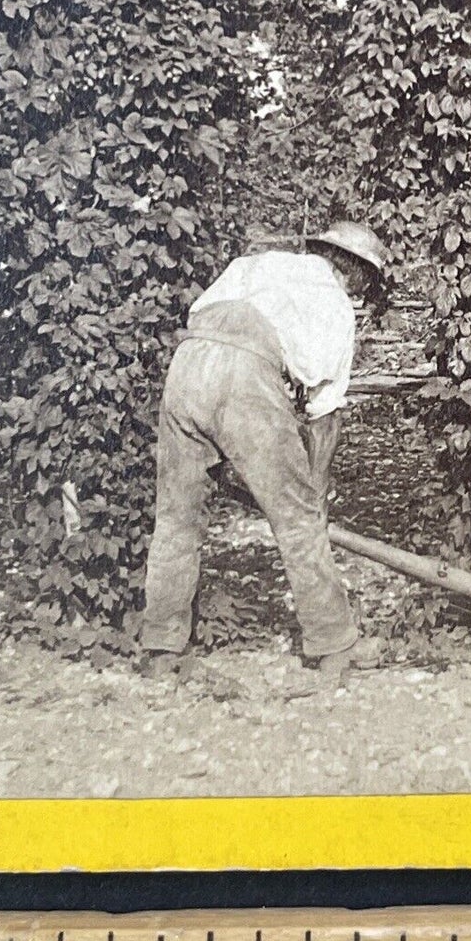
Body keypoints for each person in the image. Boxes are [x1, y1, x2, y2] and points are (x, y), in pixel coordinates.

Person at [137, 219, 389, 687]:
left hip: (188, 366)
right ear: (355, 272)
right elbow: (325, 415)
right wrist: (316, 487)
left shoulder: (259, 264)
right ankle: (335, 645)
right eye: (365, 282)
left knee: (175, 518)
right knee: (298, 521)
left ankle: (161, 650)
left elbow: (202, 317)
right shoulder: (334, 305)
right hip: (246, 374)